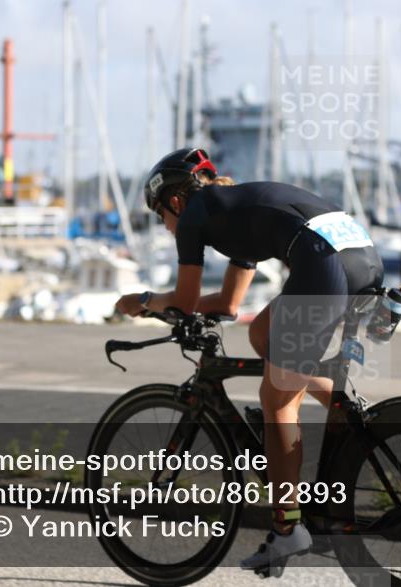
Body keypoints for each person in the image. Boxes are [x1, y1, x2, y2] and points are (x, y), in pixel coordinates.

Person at [115, 148, 383, 570]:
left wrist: (144, 301)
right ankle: (340, 404)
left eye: (159, 215)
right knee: (262, 334)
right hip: (362, 257)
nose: (165, 226)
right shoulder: (236, 213)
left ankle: (286, 530)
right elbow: (228, 303)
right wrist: (185, 308)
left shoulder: (195, 216)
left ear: (175, 201)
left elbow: (184, 302)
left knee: (277, 401)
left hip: (324, 261)